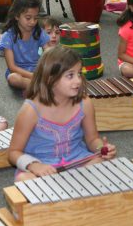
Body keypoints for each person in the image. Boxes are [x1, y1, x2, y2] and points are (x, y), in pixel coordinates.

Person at [8, 46, 116, 181]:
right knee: (24, 179)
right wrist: (34, 165)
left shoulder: (85, 103)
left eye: (79, 73)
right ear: (50, 79)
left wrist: (101, 148)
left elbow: (92, 139)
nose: (78, 80)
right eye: (70, 75)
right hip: (44, 167)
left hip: (78, 161)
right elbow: (13, 153)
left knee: (104, 162)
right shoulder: (30, 110)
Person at [0, 0, 51, 91]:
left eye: (35, 18)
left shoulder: (38, 32)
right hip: (19, 73)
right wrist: (33, 76)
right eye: (28, 18)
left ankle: (38, 86)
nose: (32, 22)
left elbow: (49, 52)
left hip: (37, 71)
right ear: (17, 16)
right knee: (13, 78)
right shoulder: (8, 37)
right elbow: (12, 67)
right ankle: (41, 87)